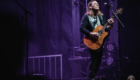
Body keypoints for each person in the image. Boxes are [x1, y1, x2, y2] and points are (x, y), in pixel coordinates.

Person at [79, 0, 114, 80]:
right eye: (95, 4)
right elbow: (81, 28)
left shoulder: (101, 17)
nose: (98, 5)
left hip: (99, 42)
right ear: (90, 6)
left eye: (98, 4)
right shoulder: (87, 17)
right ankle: (91, 78)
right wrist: (91, 34)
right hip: (90, 41)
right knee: (93, 59)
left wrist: (110, 26)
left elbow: (104, 30)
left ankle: (92, 77)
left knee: (98, 62)